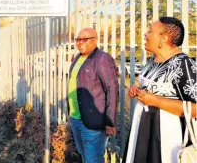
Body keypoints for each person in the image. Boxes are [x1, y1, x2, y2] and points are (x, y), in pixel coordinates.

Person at [123, 16, 197, 163]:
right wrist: (138, 90)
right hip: (144, 127)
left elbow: (195, 108)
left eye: (150, 31)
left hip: (168, 136)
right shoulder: (153, 60)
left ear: (164, 38)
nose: (145, 34)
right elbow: (156, 87)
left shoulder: (183, 64)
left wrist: (155, 101)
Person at [68, 27, 119, 163]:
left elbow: (112, 89)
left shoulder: (102, 58)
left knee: (93, 159)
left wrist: (110, 122)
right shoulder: (77, 58)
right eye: (78, 39)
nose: (80, 42)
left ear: (95, 41)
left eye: (85, 39)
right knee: (84, 155)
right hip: (76, 118)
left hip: (93, 122)